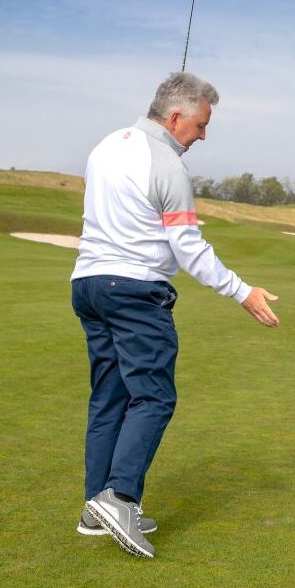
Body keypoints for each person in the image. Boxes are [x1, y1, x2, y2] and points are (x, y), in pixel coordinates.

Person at [70, 72, 280, 559]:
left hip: (88, 286)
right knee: (154, 398)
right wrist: (242, 291)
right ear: (176, 115)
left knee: (109, 397)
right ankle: (120, 498)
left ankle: (93, 509)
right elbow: (188, 248)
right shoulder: (167, 165)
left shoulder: (105, 146)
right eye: (201, 125)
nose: (203, 136)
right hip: (135, 291)